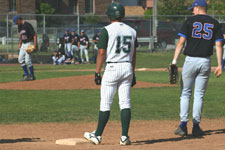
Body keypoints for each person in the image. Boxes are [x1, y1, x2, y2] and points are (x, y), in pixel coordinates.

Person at [84, 2, 138, 145]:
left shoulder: (107, 30)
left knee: (106, 103)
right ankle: (124, 136)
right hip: (127, 67)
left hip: (113, 68)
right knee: (125, 102)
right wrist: (133, 72)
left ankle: (98, 135)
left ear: (109, 15)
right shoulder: (132, 31)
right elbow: (134, 55)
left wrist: (97, 72)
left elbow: (101, 52)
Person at [172, 0, 224, 137]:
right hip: (206, 61)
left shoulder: (189, 21)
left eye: (193, 9)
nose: (192, 11)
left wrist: (174, 61)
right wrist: (219, 65)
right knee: (199, 95)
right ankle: (196, 126)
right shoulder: (215, 23)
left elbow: (181, 43)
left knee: (185, 93)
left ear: (198, 8)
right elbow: (219, 45)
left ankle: (183, 126)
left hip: (190, 60)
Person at [13, 15, 37, 81]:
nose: (16, 24)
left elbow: (34, 35)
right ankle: (27, 75)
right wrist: (20, 43)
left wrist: (35, 45)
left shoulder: (27, 25)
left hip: (29, 43)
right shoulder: (19, 26)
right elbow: (21, 35)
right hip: (23, 44)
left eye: (16, 22)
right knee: (20, 59)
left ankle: (32, 76)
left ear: (19, 20)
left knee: (27, 60)